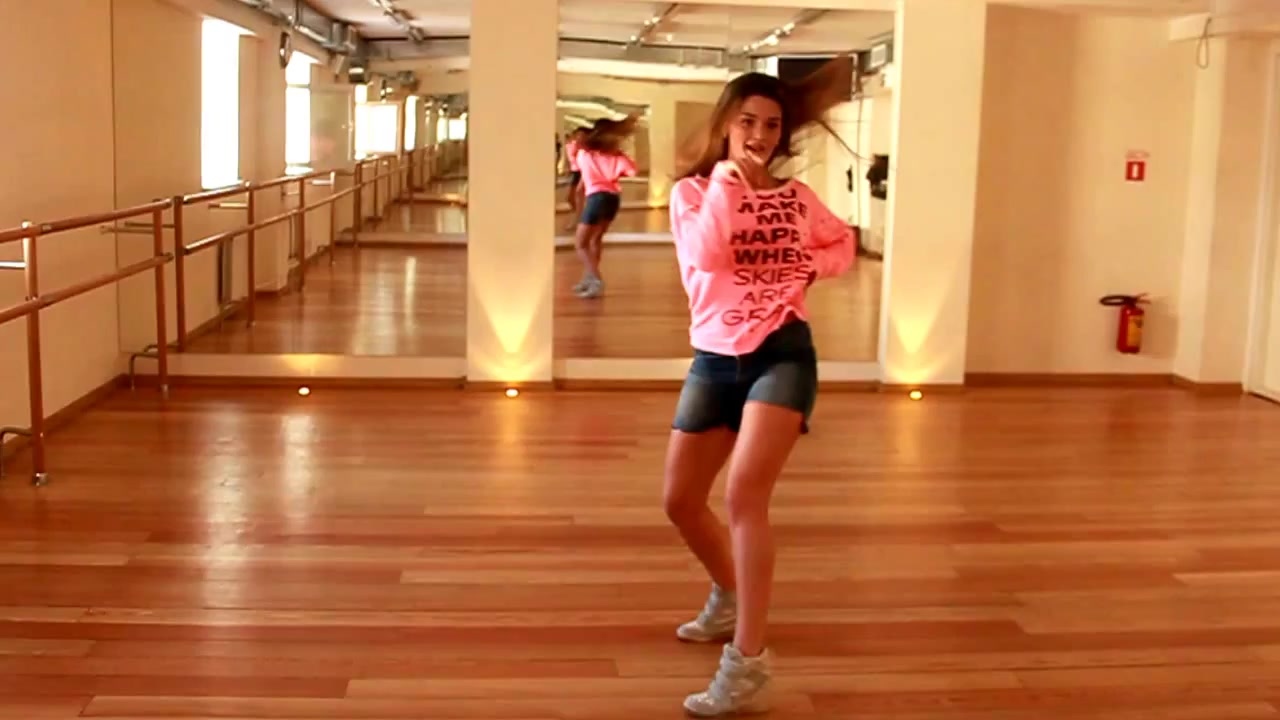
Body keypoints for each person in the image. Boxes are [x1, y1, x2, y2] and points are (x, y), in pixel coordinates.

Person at [662, 63, 856, 717]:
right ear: (726, 124)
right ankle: (729, 592)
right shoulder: (693, 193)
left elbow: (842, 243)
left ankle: (747, 663)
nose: (760, 135)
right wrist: (729, 182)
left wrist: (809, 264)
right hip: (715, 358)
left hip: (782, 354)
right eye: (747, 121)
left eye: (772, 125)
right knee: (681, 501)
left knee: (745, 496)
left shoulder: (797, 197)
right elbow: (709, 255)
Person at [571, 117, 638, 299]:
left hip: (596, 198)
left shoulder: (585, 154)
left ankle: (596, 279)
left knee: (580, 244)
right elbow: (633, 171)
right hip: (613, 198)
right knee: (595, 240)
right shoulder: (616, 156)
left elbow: (581, 167)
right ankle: (588, 279)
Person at [563, 128, 588, 231]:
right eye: (578, 135)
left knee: (579, 196)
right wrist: (568, 168)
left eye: (582, 136)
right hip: (576, 172)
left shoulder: (585, 149)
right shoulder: (572, 146)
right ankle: (581, 216)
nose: (579, 137)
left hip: (583, 172)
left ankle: (579, 220)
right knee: (571, 198)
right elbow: (570, 159)